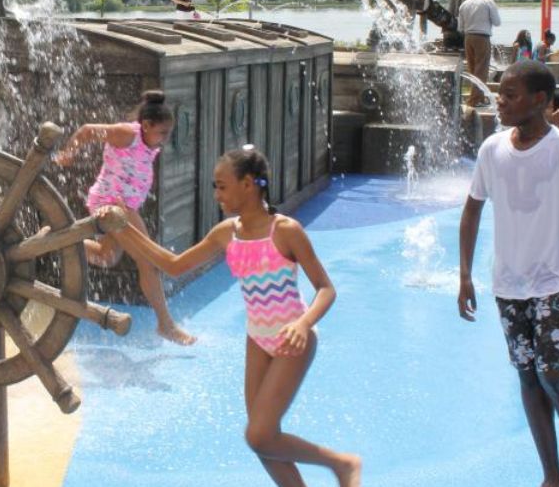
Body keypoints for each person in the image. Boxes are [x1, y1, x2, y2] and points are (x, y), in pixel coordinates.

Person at [100, 146, 361, 486]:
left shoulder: (285, 230)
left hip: (292, 340)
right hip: (257, 340)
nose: (216, 193)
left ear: (249, 185)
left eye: (222, 186)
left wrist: (303, 323)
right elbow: (174, 266)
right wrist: (123, 228)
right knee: (264, 442)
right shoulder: (227, 232)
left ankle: (341, 464)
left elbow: (326, 289)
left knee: (259, 435)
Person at [458, 60, 559, 487]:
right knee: (527, 376)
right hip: (509, 284)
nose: (499, 102)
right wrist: (465, 275)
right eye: (500, 94)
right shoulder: (492, 149)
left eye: (509, 95)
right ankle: (551, 474)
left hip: (558, 281)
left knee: (554, 371)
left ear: (540, 100)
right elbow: (471, 212)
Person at [55, 90, 194, 345]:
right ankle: (166, 325)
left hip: (123, 206)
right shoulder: (127, 134)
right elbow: (86, 130)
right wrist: (68, 153)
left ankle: (58, 240)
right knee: (149, 262)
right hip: (113, 205)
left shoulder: (149, 142)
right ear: (146, 125)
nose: (165, 138)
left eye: (168, 133)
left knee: (105, 257)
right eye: (162, 133)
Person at [457, 0, 501, 107]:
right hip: (482, 37)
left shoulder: (464, 4)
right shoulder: (488, 1)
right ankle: (474, 101)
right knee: (481, 69)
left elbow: (460, 27)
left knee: (473, 69)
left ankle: (480, 98)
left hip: (468, 38)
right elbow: (497, 22)